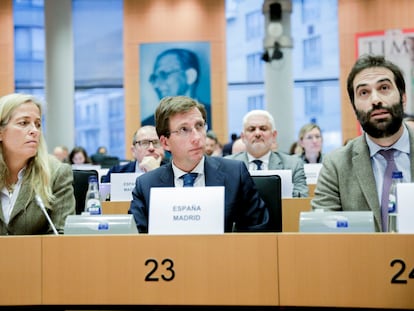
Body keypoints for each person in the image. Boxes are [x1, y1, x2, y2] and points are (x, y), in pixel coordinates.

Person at [129, 96, 269, 233]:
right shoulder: (146, 185)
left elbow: (259, 233)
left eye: (199, 126)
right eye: (184, 129)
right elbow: (134, 242)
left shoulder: (235, 174)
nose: (197, 137)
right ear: (165, 142)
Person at [311, 54, 414, 232]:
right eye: (364, 93)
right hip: (362, 258)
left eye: (384, 87)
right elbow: (322, 234)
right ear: (354, 107)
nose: (375, 100)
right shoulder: (336, 165)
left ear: (403, 97)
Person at [0, 93, 75, 235]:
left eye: (38, 124)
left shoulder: (56, 173)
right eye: (23, 123)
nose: (34, 130)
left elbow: (61, 235)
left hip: (37, 257)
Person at [226, 110, 308, 198]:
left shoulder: (293, 164)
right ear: (243, 137)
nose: (257, 134)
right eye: (251, 129)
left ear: (274, 135)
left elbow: (300, 200)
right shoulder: (227, 165)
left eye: (263, 129)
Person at [142, 48, 211, 127]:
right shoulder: (148, 126)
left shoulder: (214, 115)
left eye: (163, 75)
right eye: (154, 78)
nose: (156, 85)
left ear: (190, 76)